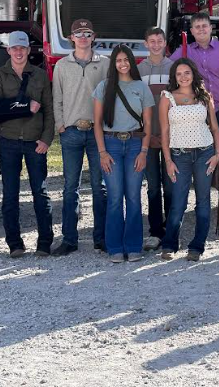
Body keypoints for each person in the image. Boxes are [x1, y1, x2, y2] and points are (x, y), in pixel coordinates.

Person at [0, 31, 55, 258]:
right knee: (10, 195)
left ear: (28, 50)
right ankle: (15, 244)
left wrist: (46, 139)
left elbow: (49, 109)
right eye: (14, 48)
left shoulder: (39, 76)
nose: (18, 52)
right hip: (8, 142)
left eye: (22, 48)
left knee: (41, 192)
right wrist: (25, 106)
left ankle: (44, 243)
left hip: (35, 142)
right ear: (8, 50)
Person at [52, 19, 110, 256]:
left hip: (97, 132)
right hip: (72, 132)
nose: (83, 37)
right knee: (70, 187)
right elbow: (57, 97)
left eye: (87, 33)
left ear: (93, 36)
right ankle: (69, 239)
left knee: (100, 187)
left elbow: (111, 96)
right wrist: (60, 124)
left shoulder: (105, 64)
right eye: (79, 33)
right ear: (71, 38)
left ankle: (102, 238)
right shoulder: (62, 65)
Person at [93, 45, 154, 264]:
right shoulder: (103, 87)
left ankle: (134, 246)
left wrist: (144, 152)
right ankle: (115, 247)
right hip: (111, 145)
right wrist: (102, 152)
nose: (122, 64)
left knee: (134, 198)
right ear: (114, 63)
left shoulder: (141, 87)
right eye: (118, 60)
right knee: (115, 198)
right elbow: (97, 124)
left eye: (126, 59)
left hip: (136, 145)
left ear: (131, 61)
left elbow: (148, 123)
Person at [158, 58, 219, 261]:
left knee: (203, 201)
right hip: (179, 155)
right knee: (178, 201)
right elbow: (165, 131)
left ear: (193, 74)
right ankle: (169, 244)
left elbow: (215, 127)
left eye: (187, 72)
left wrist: (217, 155)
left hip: (205, 153)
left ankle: (197, 246)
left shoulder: (204, 96)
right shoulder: (167, 97)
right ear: (174, 77)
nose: (183, 77)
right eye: (179, 73)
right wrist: (168, 160)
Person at [169, 12, 219, 177]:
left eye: (204, 26)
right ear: (192, 31)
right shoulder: (184, 51)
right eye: (197, 27)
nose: (201, 29)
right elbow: (169, 67)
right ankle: (196, 171)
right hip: (198, 105)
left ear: (211, 28)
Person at [137, 27, 174, 250]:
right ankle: (155, 231)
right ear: (146, 43)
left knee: (171, 185)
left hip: (171, 134)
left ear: (164, 42)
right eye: (152, 41)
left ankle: (171, 228)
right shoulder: (139, 69)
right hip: (148, 135)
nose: (156, 44)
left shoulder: (174, 67)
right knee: (152, 186)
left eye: (159, 40)